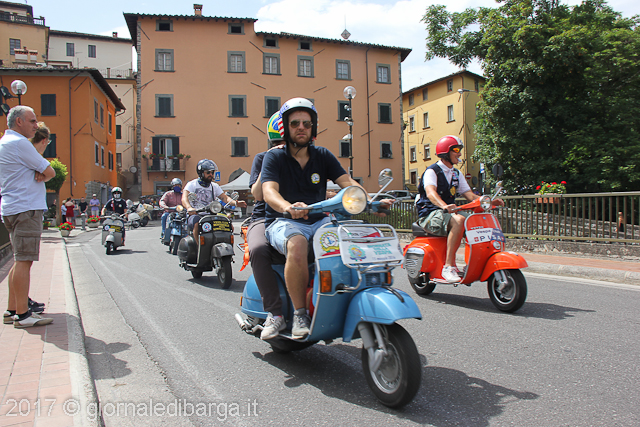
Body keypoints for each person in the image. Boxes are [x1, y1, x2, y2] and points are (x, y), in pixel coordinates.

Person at [261, 98, 380, 339]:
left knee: (352, 235)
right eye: (295, 123)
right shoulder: (274, 157)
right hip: (284, 221)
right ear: (286, 127)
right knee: (297, 243)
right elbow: (269, 191)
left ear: (313, 127)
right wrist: (287, 207)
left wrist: (369, 200)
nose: (301, 128)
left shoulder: (323, 155)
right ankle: (300, 314)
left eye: (306, 123)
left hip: (319, 219)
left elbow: (347, 183)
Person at [415, 135, 503, 283]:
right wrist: (444, 205)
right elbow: (430, 193)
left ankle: (475, 263)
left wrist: (487, 202)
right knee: (459, 220)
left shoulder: (456, 173)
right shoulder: (432, 171)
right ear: (445, 152)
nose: (460, 153)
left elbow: (469, 195)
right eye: (456, 150)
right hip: (430, 214)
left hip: (449, 213)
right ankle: (448, 267)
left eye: (459, 150)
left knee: (475, 221)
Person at [0, 106, 55, 328]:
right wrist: (42, 173)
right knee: (24, 261)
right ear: (19, 121)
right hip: (26, 209)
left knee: (18, 259)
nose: (36, 125)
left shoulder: (5, 142)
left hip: (12, 208)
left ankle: (12, 309)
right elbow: (50, 171)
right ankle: (23, 316)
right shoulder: (20, 143)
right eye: (32, 121)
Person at [247, 112, 286, 340]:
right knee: (259, 248)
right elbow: (257, 194)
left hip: (297, 217)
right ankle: (275, 312)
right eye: (279, 142)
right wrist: (270, 159)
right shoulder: (262, 158)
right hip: (264, 217)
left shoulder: (306, 160)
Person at [182, 159, 246, 243]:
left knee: (229, 225)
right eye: (208, 172)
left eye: (212, 172)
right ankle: (199, 247)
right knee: (197, 224)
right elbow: (184, 198)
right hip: (196, 214)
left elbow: (224, 198)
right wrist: (189, 208)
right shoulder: (192, 184)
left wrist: (235, 203)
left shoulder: (214, 186)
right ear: (201, 173)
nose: (211, 175)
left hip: (211, 214)